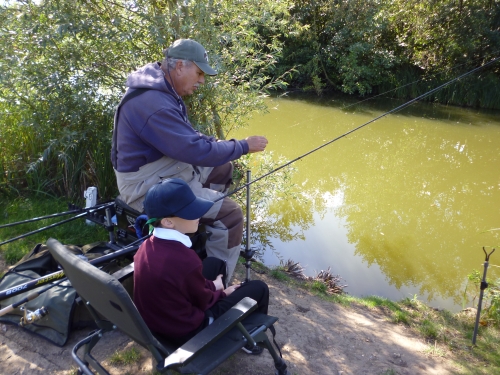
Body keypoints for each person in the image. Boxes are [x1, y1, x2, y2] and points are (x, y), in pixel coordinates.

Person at [111, 38, 268, 283]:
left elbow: (188, 137)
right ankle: (215, 287)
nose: (202, 80)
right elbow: (196, 151)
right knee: (231, 216)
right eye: (199, 72)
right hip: (144, 185)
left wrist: (217, 145)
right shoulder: (153, 104)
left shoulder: (161, 90)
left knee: (223, 168)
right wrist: (244, 146)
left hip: (163, 167)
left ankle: (194, 234)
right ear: (180, 66)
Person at [133, 178, 269, 353]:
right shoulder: (184, 259)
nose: (199, 215)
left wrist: (214, 287)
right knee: (259, 288)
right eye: (191, 211)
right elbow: (202, 300)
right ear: (168, 222)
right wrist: (220, 292)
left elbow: (188, 284)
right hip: (187, 332)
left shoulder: (146, 246)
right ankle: (251, 339)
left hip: (157, 321)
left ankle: (229, 319)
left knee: (215, 263)